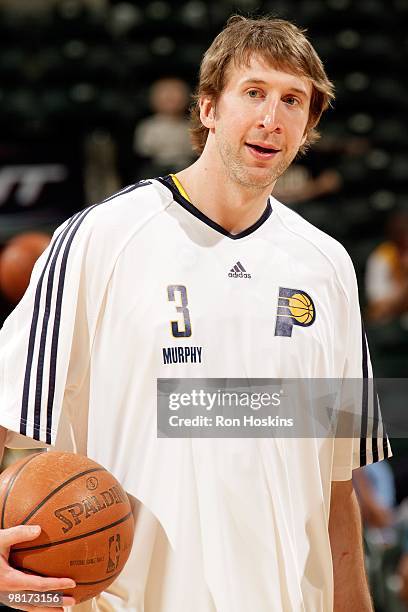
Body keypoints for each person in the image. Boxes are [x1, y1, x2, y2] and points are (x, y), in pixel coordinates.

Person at [0, 15, 390, 612]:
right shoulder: (100, 237)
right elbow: (9, 417)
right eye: (253, 92)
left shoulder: (329, 267)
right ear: (208, 108)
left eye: (293, 102)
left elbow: (335, 483)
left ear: (308, 127)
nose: (271, 118)